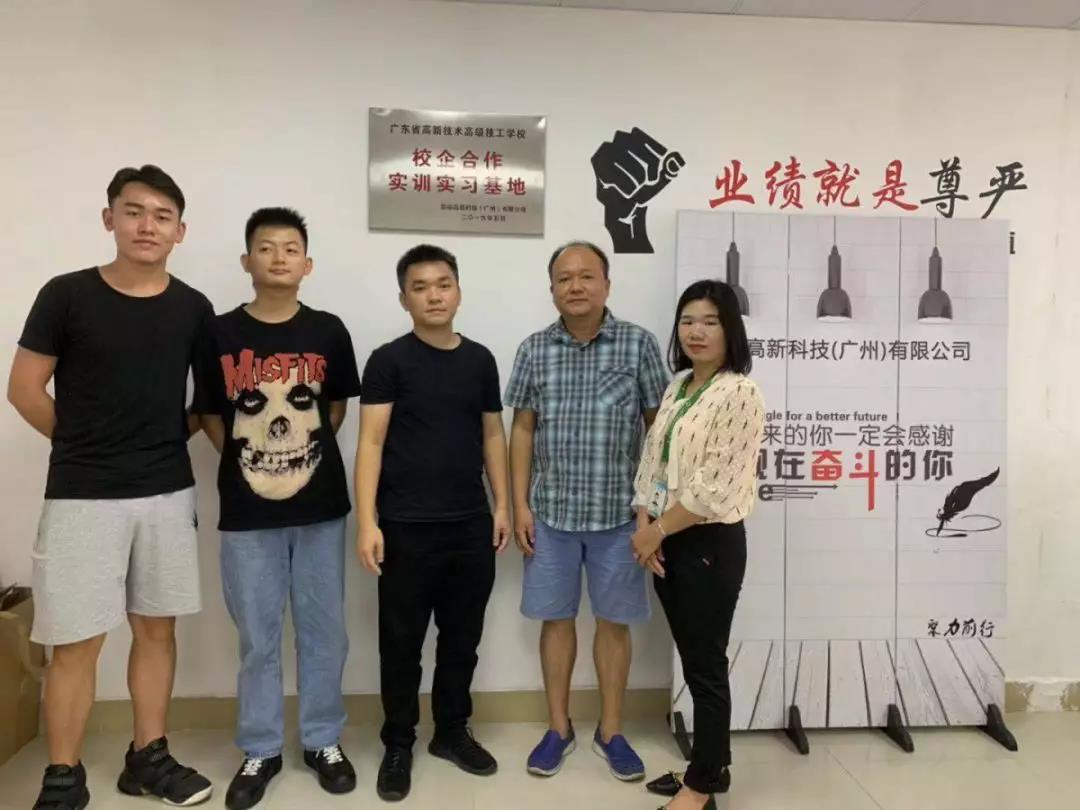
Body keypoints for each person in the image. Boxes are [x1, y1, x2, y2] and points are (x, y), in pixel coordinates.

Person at [8, 165, 215, 810]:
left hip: (166, 492)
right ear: (110, 219)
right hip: (81, 494)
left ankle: (147, 758)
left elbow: (206, 405)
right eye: (134, 211)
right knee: (76, 640)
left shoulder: (194, 308)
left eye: (162, 216)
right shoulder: (66, 295)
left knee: (156, 630)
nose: (147, 225)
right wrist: (84, 445)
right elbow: (24, 388)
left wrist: (159, 441)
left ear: (180, 231)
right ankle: (63, 776)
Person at [193, 207, 361, 809]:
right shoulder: (217, 333)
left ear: (307, 264)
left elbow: (334, 408)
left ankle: (322, 740)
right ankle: (260, 748)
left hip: (320, 510)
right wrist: (255, 462)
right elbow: (210, 415)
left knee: (324, 631)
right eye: (266, 248)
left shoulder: (329, 330)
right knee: (258, 637)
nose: (279, 257)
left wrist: (293, 460)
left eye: (291, 248)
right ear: (247, 261)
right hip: (247, 515)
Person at [505, 240, 667, 781]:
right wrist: (521, 504)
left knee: (614, 624)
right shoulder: (534, 349)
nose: (575, 286)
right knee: (556, 621)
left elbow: (658, 430)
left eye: (586, 276)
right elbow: (522, 429)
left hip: (619, 515)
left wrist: (651, 510)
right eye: (564, 278)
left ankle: (611, 731)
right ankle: (558, 728)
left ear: (606, 284)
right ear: (551, 289)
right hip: (550, 514)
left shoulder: (638, 344)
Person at [355, 244, 510, 802]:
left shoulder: (481, 360)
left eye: (443, 284)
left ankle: (451, 731)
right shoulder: (388, 360)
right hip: (405, 525)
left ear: (458, 292)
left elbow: (492, 434)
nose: (434, 296)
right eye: (420, 287)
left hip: (469, 524)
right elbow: (370, 442)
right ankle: (399, 742)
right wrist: (367, 521)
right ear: (404, 299)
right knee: (400, 644)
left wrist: (502, 504)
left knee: (462, 639)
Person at [631, 279, 764, 810]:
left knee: (705, 667)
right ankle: (711, 766)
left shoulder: (739, 392)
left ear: (731, 330)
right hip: (666, 538)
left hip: (707, 543)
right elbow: (653, 459)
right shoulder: (680, 385)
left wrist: (656, 530)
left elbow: (714, 489)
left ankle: (701, 788)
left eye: (710, 321)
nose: (696, 331)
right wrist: (645, 518)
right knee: (694, 661)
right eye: (688, 320)